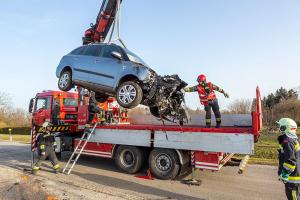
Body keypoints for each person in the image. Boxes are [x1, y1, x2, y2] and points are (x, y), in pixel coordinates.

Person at [277, 118, 300, 200]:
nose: (278, 128)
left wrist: (285, 174)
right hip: (295, 177)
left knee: (293, 197)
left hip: (293, 180)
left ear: (284, 128)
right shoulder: (292, 139)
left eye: (280, 126)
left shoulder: (287, 141)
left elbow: (290, 160)